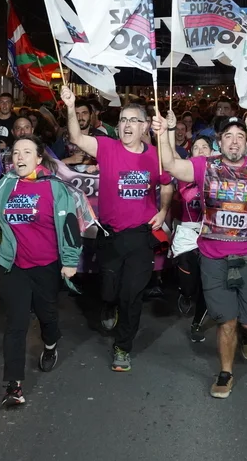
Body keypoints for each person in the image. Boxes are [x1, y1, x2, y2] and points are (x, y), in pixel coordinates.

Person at [154, 112, 247, 399]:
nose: (234, 142)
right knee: (227, 321)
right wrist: (163, 134)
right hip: (212, 256)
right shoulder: (205, 166)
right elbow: (171, 165)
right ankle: (225, 373)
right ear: (219, 142)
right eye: (228, 137)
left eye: (240, 137)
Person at [0, 136, 94, 407]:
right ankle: (14, 386)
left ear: (38, 158)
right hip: (13, 267)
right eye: (15, 152)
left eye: (26, 152)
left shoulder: (54, 187)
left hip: (46, 266)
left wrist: (70, 261)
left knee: (47, 316)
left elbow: (69, 226)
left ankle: (50, 343)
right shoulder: (6, 184)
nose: (20, 157)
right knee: (16, 323)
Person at [60, 86, 173, 372]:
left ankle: (123, 347)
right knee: (110, 290)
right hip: (110, 235)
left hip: (140, 236)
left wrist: (162, 211)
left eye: (134, 120)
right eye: (123, 120)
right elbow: (76, 137)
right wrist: (70, 107)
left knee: (132, 295)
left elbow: (167, 185)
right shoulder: (106, 147)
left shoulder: (156, 156)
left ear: (145, 126)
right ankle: (109, 304)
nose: (127, 125)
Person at [170, 135, 214, 341]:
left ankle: (197, 323)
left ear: (212, 152)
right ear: (190, 153)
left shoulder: (221, 174)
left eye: (205, 146)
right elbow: (188, 196)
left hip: (211, 234)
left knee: (207, 283)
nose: (201, 150)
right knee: (189, 284)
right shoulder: (184, 173)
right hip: (187, 232)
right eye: (196, 147)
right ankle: (186, 294)